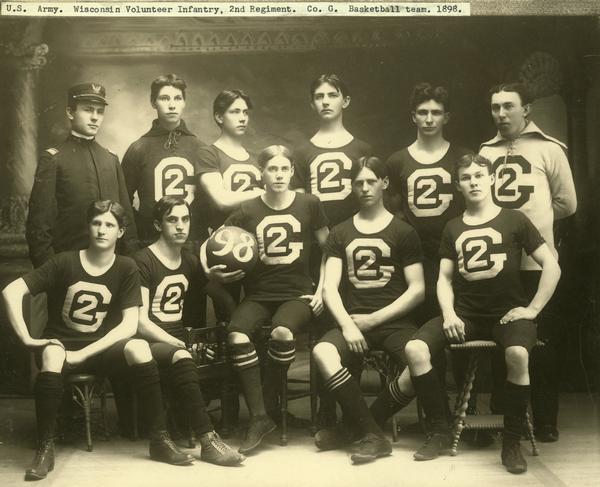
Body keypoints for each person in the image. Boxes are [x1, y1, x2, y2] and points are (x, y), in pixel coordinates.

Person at [389, 154, 560, 474]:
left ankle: (511, 443)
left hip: (506, 314)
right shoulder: (453, 227)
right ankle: (440, 430)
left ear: (492, 178)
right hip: (466, 313)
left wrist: (533, 308)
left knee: (518, 355)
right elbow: (444, 279)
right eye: (466, 177)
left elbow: (551, 264)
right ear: (458, 185)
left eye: (480, 175)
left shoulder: (514, 219)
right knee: (415, 348)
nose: (474, 182)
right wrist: (450, 314)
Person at [2, 200, 193, 482]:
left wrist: (85, 353)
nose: (102, 230)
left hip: (100, 349)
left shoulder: (126, 267)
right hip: (62, 346)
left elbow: (129, 325)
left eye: (109, 225)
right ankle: (45, 447)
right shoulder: (64, 261)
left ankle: (159, 439)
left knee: (139, 347)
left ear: (120, 231)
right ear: (88, 227)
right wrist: (27, 338)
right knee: (54, 354)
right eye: (96, 223)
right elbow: (11, 291)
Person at [201, 145, 329, 454]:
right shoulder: (248, 209)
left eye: (285, 169)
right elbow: (211, 241)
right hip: (259, 294)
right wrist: (211, 272)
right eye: (273, 169)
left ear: (292, 172)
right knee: (236, 334)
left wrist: (323, 287)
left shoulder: (309, 203)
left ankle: (267, 406)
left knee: (282, 333)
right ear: (262, 173)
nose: (280, 175)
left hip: (297, 293)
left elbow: (331, 249)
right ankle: (260, 417)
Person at [479, 82, 576, 442]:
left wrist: (536, 224)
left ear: (526, 110)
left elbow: (567, 203)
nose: (501, 114)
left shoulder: (550, 150)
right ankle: (504, 415)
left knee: (541, 344)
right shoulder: (485, 153)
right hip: (497, 264)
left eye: (508, 106)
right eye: (494, 107)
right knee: (501, 336)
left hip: (537, 265)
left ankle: (546, 419)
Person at [312, 156, 425, 464]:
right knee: (323, 352)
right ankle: (373, 435)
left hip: (393, 321)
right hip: (352, 320)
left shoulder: (404, 231)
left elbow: (417, 289)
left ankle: (359, 425)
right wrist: (348, 326)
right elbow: (329, 287)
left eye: (370, 181)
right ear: (351, 186)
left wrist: (375, 318)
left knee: (423, 363)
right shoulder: (340, 232)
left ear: (384, 183)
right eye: (358, 182)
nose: (364, 188)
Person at [132, 196, 243, 466]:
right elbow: (140, 321)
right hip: (146, 339)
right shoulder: (142, 261)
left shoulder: (190, 261)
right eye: (172, 220)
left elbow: (211, 291)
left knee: (215, 352)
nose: (180, 226)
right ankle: (208, 441)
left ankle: (187, 422)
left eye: (185, 219)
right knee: (182, 356)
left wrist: (235, 312)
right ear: (158, 225)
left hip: (177, 338)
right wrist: (177, 342)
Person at [291, 74, 373, 428]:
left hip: (355, 246)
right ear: (312, 103)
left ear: (346, 101)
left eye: (333, 95)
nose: (326, 101)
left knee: (351, 320)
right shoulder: (302, 151)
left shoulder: (360, 149)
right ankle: (326, 413)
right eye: (319, 96)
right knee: (326, 329)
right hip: (318, 251)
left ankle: (354, 415)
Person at [26, 83, 137, 267]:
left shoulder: (111, 159)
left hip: (113, 268)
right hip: (70, 267)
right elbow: (38, 226)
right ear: (70, 112)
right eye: (88, 110)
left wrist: (131, 266)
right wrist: (50, 272)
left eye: (100, 112)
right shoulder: (54, 159)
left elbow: (127, 219)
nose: (95, 118)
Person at [387, 82, 472, 321]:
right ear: (413, 117)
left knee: (456, 321)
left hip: (456, 251)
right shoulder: (397, 161)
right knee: (419, 320)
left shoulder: (461, 157)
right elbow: (395, 213)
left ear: (446, 117)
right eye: (423, 112)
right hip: (417, 256)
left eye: (436, 113)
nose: (429, 119)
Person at [122, 74, 207, 247]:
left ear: (184, 102)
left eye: (177, 98)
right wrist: (143, 227)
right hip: (150, 243)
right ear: (153, 102)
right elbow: (123, 200)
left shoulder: (200, 148)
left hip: (193, 243)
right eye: (164, 98)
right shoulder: (138, 149)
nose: (171, 104)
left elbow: (208, 202)